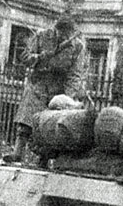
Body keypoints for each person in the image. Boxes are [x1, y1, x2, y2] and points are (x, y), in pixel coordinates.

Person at [6, 15, 86, 162]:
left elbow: (75, 74)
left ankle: (43, 160)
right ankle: (17, 153)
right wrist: (40, 57)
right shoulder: (42, 36)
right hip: (38, 83)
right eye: (61, 34)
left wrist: (66, 97)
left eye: (68, 35)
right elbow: (25, 57)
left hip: (58, 88)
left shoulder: (78, 47)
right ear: (56, 30)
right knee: (26, 120)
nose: (64, 38)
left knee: (50, 125)